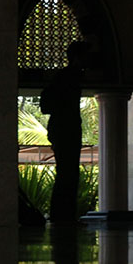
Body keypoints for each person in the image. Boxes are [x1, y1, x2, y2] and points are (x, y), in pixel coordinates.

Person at [41, 40, 89, 224]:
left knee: (65, 173)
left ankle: (61, 216)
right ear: (78, 57)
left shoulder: (64, 76)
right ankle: (64, 216)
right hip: (66, 131)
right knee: (68, 174)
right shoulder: (71, 77)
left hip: (61, 131)